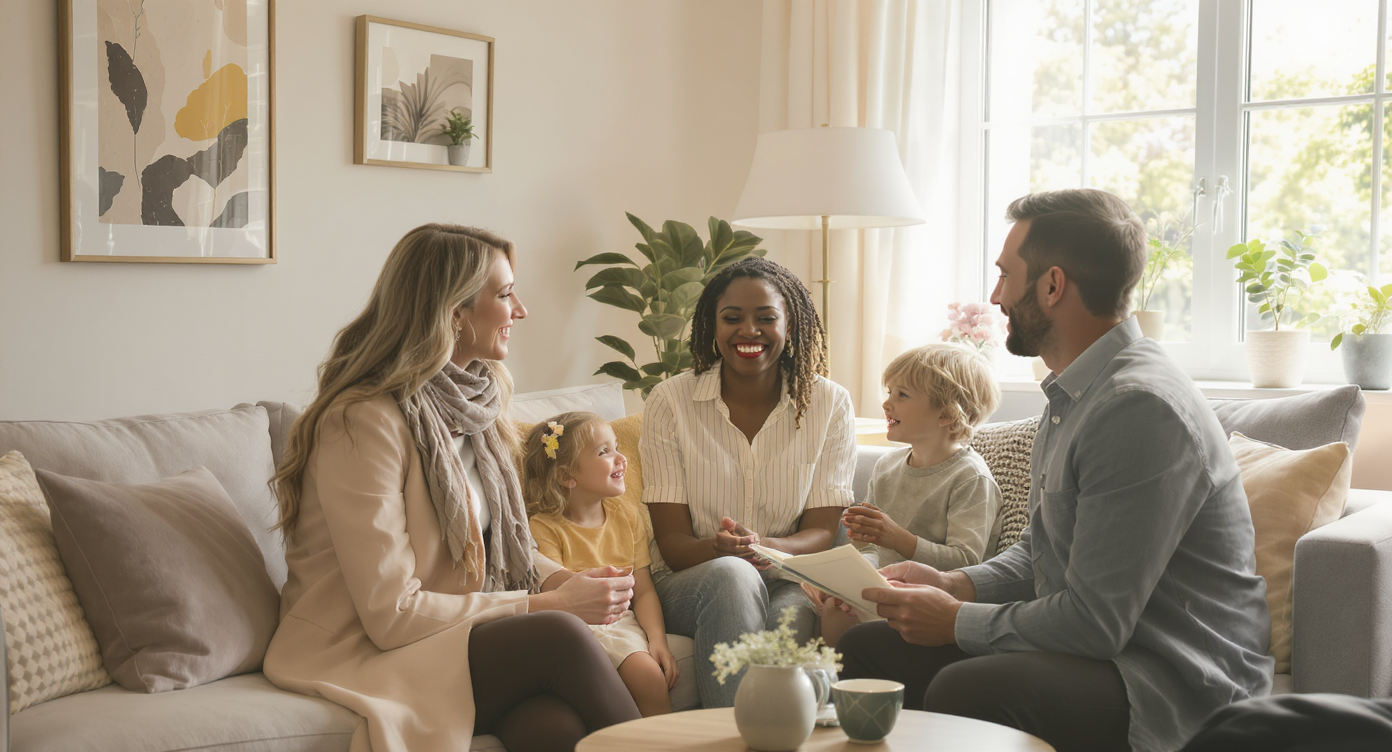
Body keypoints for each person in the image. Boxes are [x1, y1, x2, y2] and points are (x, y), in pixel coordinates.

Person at [838, 189, 1274, 752]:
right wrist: (955, 583)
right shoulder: (1074, 395)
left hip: (1170, 675)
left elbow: (1094, 624)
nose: (995, 296)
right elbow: (1041, 548)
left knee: (966, 688)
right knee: (870, 649)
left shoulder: (1137, 407)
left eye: (1005, 275)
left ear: (1052, 286)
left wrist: (955, 619)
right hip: (1106, 651)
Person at [263, 224, 641, 752]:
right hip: (360, 645)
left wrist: (565, 581)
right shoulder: (363, 421)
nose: (521, 311)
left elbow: (495, 547)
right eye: (505, 295)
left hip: (449, 631)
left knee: (552, 727)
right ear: (454, 313)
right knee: (560, 634)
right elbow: (390, 613)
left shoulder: (480, 400)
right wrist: (550, 605)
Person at [640, 256, 857, 708]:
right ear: (712, 325)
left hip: (786, 579)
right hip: (691, 582)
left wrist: (765, 548)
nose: (749, 331)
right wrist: (722, 550)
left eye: (766, 318)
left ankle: (789, 726)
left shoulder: (830, 404)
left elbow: (821, 532)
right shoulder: (670, 401)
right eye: (732, 318)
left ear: (790, 325)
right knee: (733, 574)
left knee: (788, 631)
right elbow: (673, 545)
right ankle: (731, 733)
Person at [810, 343, 1003, 647]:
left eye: (902, 395)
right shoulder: (887, 466)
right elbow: (869, 549)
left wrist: (898, 538)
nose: (887, 404)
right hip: (884, 589)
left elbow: (966, 562)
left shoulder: (970, 478)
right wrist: (849, 576)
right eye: (890, 392)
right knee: (835, 606)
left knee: (844, 617)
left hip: (931, 606)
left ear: (946, 414)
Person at [522, 411, 678, 717]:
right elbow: (556, 596)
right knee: (644, 677)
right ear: (567, 476)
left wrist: (657, 640)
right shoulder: (544, 528)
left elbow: (644, 591)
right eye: (604, 452)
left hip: (620, 621)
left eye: (617, 447)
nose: (621, 458)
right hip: (575, 626)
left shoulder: (627, 517)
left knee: (650, 677)